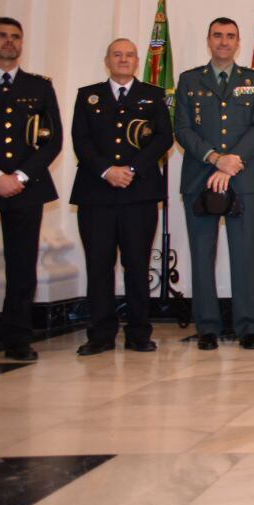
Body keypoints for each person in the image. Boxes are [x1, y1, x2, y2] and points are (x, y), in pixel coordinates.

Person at [69, 38, 173, 356]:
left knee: (137, 264)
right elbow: (80, 140)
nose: (123, 59)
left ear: (137, 60)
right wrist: (106, 171)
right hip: (96, 194)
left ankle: (139, 332)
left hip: (138, 193)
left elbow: (163, 137)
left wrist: (131, 168)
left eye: (129, 55)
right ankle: (100, 334)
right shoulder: (88, 96)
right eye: (117, 54)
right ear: (107, 60)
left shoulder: (152, 96)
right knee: (99, 264)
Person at [174, 17, 254, 350]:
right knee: (202, 254)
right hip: (200, 178)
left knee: (245, 254)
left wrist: (231, 164)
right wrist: (215, 159)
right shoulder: (189, 81)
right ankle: (208, 327)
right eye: (218, 35)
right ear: (208, 40)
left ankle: (249, 326)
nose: (224, 41)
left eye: (230, 36)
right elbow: (183, 130)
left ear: (238, 42)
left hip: (242, 179)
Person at [0, 17, 62, 362]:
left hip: (27, 187)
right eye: (3, 36)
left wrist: (19, 176)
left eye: (15, 37)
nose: (9, 42)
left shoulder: (38, 87)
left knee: (22, 265)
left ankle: (17, 338)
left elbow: (52, 141)